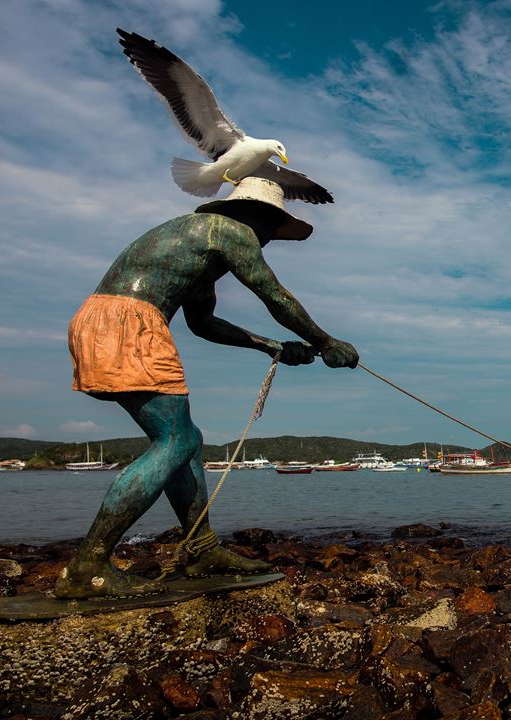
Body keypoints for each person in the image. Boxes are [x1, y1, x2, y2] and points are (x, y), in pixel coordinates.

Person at [55, 177, 358, 598]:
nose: (269, 240)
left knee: (186, 441)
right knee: (176, 442)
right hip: (130, 322)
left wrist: (273, 347)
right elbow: (274, 295)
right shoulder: (231, 232)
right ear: (260, 217)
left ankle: (200, 549)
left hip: (103, 319)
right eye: (272, 230)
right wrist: (328, 343)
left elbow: (203, 324)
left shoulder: (196, 244)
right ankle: (88, 567)